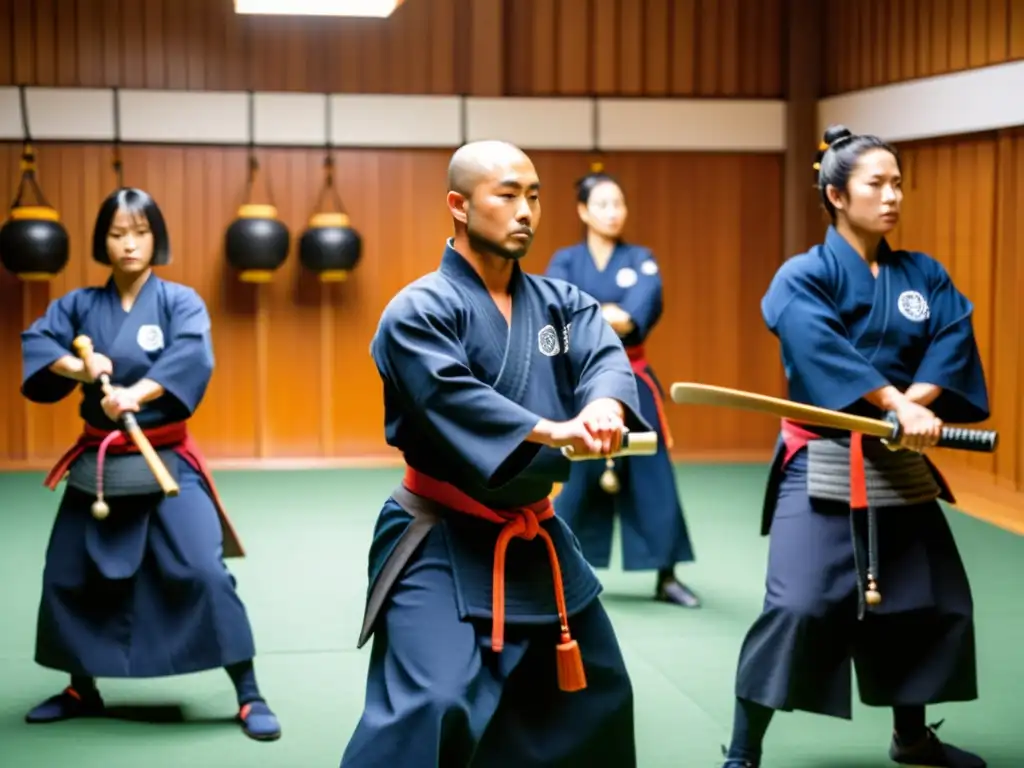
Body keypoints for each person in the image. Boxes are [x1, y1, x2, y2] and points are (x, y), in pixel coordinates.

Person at [340, 140, 650, 767]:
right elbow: (451, 397)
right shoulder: (418, 310)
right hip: (440, 536)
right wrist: (553, 430)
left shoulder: (563, 304)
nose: (525, 210)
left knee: (599, 694)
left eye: (533, 195)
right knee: (434, 701)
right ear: (459, 205)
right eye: (507, 195)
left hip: (535, 534)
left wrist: (604, 409)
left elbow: (603, 360)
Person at [721, 125, 988, 768]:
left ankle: (912, 737)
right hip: (823, 459)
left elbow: (952, 337)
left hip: (899, 457)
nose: (892, 196)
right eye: (877, 184)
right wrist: (893, 404)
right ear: (837, 195)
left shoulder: (922, 272)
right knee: (799, 604)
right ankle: (743, 750)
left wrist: (914, 407)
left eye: (898, 183)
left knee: (926, 602)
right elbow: (820, 350)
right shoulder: (803, 276)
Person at [20, 187, 281, 742]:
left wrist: (135, 393)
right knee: (68, 572)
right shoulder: (78, 306)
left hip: (165, 457)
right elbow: (38, 343)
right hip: (99, 461)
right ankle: (80, 687)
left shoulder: (180, 302)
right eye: (117, 234)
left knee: (202, 569)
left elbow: (192, 355)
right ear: (103, 241)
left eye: (139, 232)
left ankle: (248, 690)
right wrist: (80, 370)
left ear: (155, 237)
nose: (129, 243)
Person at [543, 168, 699, 608]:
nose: (613, 213)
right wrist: (605, 311)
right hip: (579, 384)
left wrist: (595, 311)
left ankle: (666, 575)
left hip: (634, 378)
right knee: (574, 474)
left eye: (619, 204)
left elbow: (636, 314)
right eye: (603, 205)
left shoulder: (640, 259)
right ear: (583, 212)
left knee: (653, 475)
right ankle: (554, 569)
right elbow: (556, 312)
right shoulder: (565, 260)